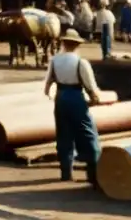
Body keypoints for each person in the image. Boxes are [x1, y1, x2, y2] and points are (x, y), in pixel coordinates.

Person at [43, 29, 104, 185]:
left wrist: (50, 95)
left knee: (64, 134)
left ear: (63, 43)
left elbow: (48, 83)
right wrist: (94, 98)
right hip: (76, 96)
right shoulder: (80, 62)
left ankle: (66, 172)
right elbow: (90, 85)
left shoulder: (55, 60)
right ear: (77, 45)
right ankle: (94, 173)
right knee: (88, 133)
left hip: (61, 97)